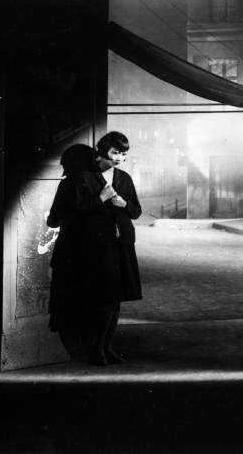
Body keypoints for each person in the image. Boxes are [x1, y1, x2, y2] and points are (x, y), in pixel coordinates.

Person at [79, 131, 142, 365]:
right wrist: (100, 198)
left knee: (116, 300)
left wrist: (124, 204)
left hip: (122, 244)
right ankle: (96, 349)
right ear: (103, 149)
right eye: (115, 152)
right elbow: (76, 213)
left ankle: (107, 346)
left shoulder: (124, 178)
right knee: (103, 299)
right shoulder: (86, 177)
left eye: (124, 154)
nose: (119, 158)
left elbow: (136, 212)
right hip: (98, 247)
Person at [47, 144, 95, 359]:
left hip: (68, 251)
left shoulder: (66, 186)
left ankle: (74, 351)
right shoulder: (97, 186)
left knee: (65, 303)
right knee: (87, 303)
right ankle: (87, 349)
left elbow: (52, 220)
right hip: (91, 253)